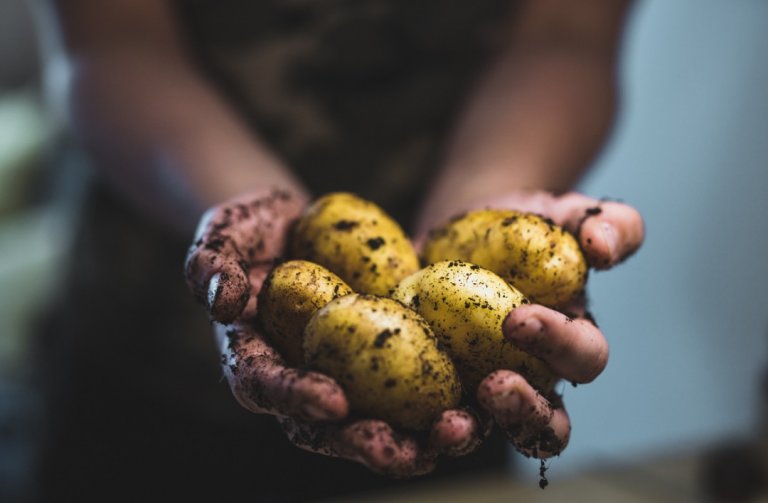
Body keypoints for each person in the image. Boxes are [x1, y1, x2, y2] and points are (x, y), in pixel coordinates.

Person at [31, 0, 644, 501]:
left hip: (451, 395)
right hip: (147, 348)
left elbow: (564, 36)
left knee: (449, 432)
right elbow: (113, 44)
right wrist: (234, 199)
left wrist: (477, 205)